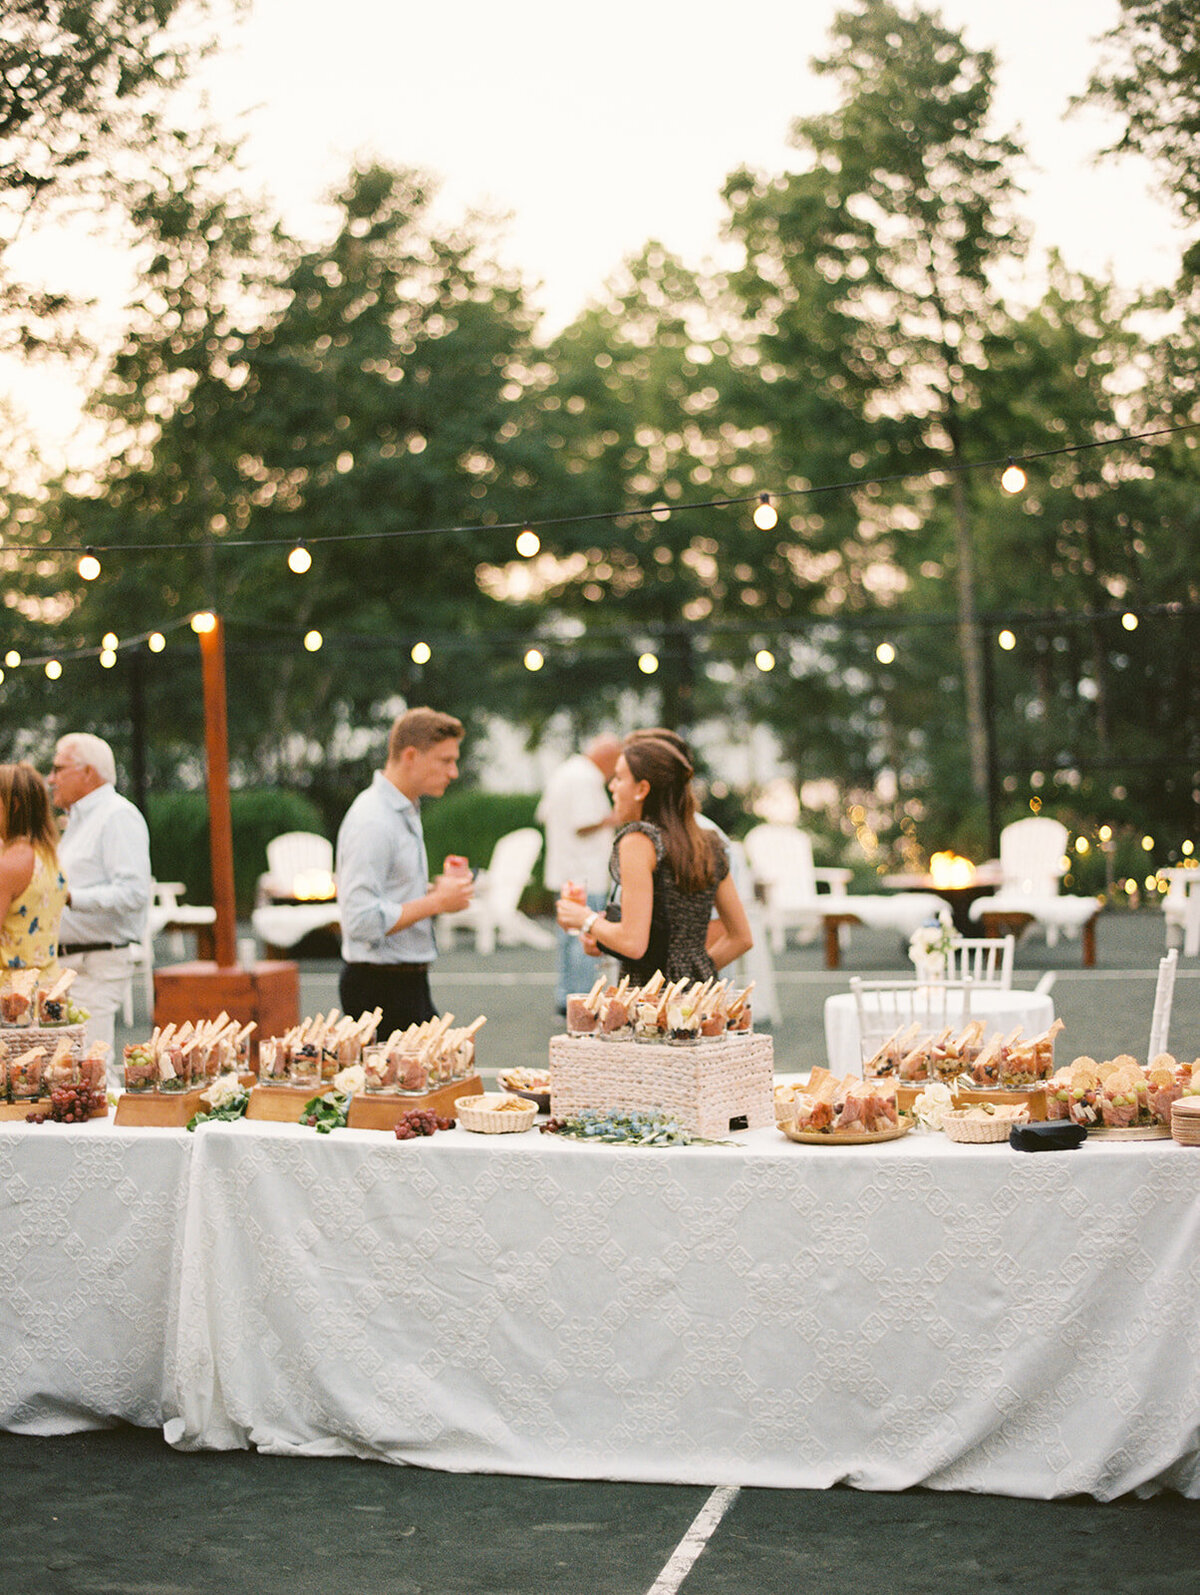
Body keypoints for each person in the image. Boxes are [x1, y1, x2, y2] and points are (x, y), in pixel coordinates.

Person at [555, 733, 753, 984]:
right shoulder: (710, 842)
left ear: (642, 789)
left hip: (646, 1002)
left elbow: (633, 943)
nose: (612, 786)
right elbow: (741, 938)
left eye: (619, 778)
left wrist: (585, 918)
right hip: (698, 1000)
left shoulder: (638, 841)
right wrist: (693, 975)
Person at [336, 706, 474, 1036]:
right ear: (410, 756)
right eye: (445, 760)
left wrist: (433, 893)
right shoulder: (373, 819)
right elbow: (359, 920)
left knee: (446, 1062)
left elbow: (387, 894)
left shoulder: (402, 808)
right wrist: (437, 902)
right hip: (380, 988)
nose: (454, 772)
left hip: (402, 982)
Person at [49, 733, 152, 1082]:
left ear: (88, 772)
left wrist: (71, 898)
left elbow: (134, 893)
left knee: (91, 1070)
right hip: (70, 964)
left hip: (95, 963)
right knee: (71, 1072)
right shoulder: (79, 820)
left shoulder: (117, 816)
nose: (51, 778)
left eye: (58, 769)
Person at [536, 732, 621, 1013]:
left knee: (568, 938)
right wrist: (617, 818)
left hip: (564, 870)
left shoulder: (564, 772)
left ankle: (566, 998)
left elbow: (543, 814)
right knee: (586, 938)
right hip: (586, 872)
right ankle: (584, 1002)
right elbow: (584, 822)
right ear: (607, 757)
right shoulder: (586, 778)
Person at [0, 762, 69, 978]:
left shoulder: (11, 863)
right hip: (48, 983)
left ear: (14, 805)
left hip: (14, 991)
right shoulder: (48, 854)